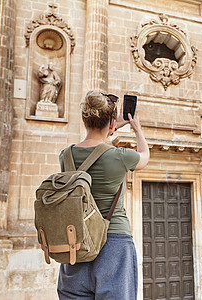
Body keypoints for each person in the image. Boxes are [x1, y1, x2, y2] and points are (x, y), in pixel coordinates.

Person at [57, 90, 150, 299]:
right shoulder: (119, 157)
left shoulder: (66, 156)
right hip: (114, 244)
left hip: (76, 245)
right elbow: (145, 156)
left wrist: (109, 124)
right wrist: (136, 128)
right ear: (110, 124)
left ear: (84, 120)